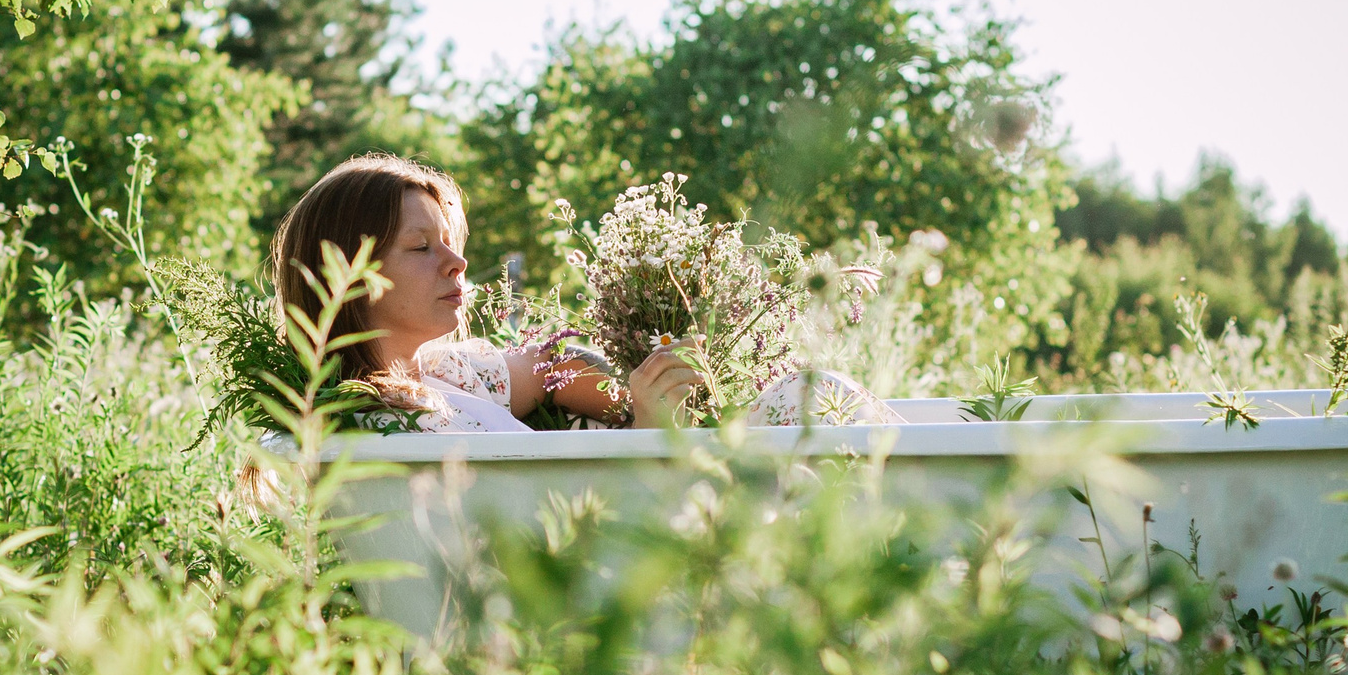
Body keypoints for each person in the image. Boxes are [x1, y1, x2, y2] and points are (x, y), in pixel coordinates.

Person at [271, 154, 892, 433]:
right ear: (344, 271)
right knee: (814, 405)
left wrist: (627, 400)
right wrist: (650, 433)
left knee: (812, 395)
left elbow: (549, 363)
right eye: (421, 248)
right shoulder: (374, 425)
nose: (458, 263)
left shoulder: (445, 371)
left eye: (452, 242)